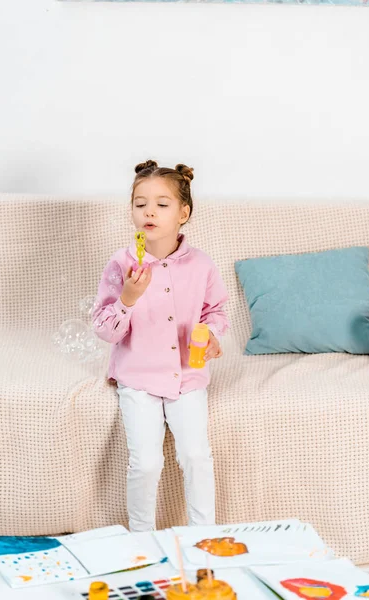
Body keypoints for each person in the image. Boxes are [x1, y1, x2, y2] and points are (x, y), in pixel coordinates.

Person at [92, 159, 229, 532]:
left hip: (187, 376)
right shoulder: (122, 264)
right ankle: (141, 537)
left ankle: (204, 537)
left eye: (162, 204)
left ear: (184, 212)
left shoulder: (202, 265)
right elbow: (105, 329)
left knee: (196, 455)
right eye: (140, 204)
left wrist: (213, 335)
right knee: (147, 462)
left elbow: (215, 310)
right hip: (138, 376)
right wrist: (128, 298)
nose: (149, 211)